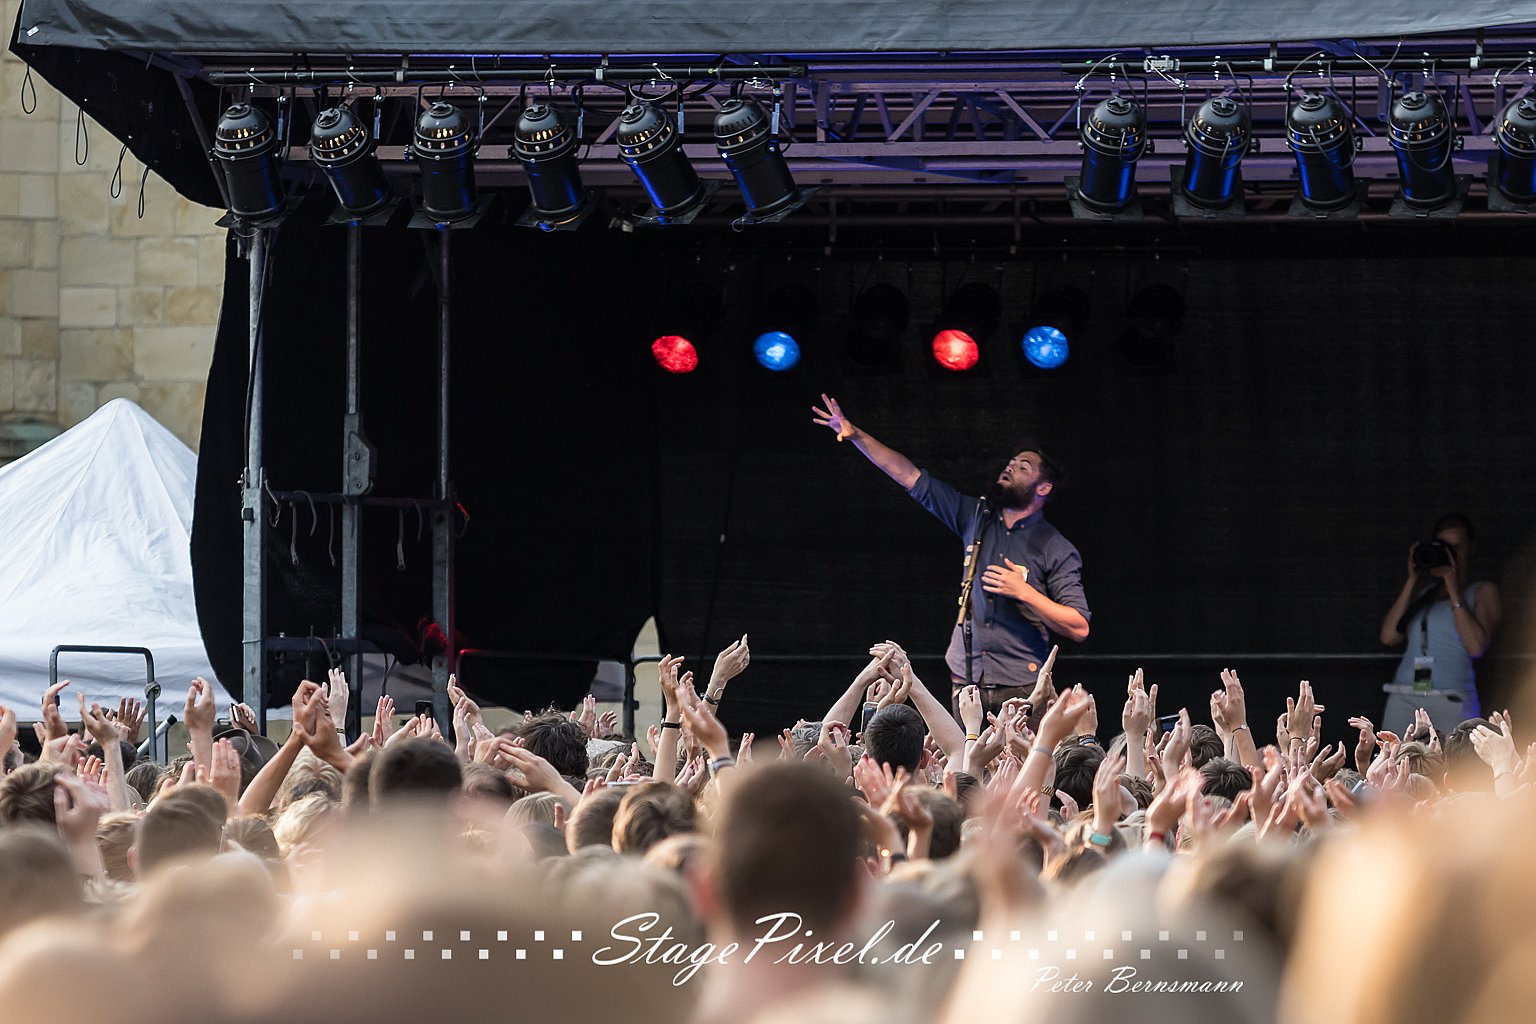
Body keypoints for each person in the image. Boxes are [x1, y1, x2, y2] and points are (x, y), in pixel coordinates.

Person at [812, 394, 1090, 713]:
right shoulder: (977, 517)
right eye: (1012, 462)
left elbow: (1079, 626)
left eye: (1023, 467)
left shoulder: (1055, 546)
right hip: (965, 680)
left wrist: (1024, 592)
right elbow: (910, 477)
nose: (1011, 467)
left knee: (1017, 750)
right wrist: (856, 435)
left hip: (1021, 685)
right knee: (962, 749)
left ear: (1043, 488)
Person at [1378, 512, 1501, 735]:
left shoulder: (1482, 591)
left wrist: (1453, 587)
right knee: (1395, 754)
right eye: (1444, 547)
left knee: (1454, 756)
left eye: (1457, 547)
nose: (1450, 553)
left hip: (1451, 697)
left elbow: (1476, 647)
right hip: (1404, 694)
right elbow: (1388, 636)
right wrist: (1412, 580)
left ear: (1471, 548)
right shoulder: (1424, 593)